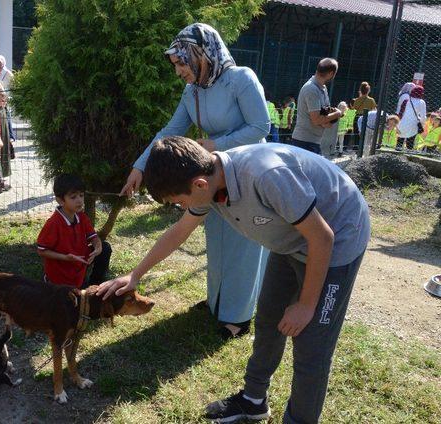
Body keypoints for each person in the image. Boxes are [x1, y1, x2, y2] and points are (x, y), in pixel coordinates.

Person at [98, 136, 370, 424]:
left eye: (180, 202)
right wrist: (135, 274)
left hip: (337, 237)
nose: (181, 208)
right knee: (269, 320)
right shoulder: (209, 183)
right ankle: (253, 401)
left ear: (199, 185)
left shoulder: (266, 176)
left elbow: (322, 237)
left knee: (311, 346)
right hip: (291, 241)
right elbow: (179, 232)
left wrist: (306, 304)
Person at [121, 23, 270, 339]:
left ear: (201, 54)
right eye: (175, 65)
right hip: (213, 173)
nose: (178, 71)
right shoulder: (192, 92)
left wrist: (214, 145)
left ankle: (239, 317)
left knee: (242, 243)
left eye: (181, 62)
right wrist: (140, 166)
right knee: (217, 239)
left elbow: (260, 127)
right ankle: (219, 302)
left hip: (245, 173)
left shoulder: (240, 79)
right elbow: (169, 132)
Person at [37, 174, 112, 288]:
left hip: (79, 261)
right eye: (73, 197)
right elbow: (42, 251)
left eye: (81, 195)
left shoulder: (81, 216)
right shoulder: (53, 223)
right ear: (60, 200)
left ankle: (95, 285)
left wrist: (98, 247)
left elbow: (93, 237)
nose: (79, 200)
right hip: (61, 274)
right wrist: (66, 257)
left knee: (105, 248)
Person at [291, 58, 341, 155]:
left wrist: (327, 120)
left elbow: (324, 116)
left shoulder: (323, 88)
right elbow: (316, 120)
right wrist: (338, 114)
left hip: (314, 141)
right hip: (304, 142)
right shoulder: (311, 89)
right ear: (331, 74)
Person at [396, 84, 426, 151]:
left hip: (402, 122)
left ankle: (396, 154)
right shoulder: (421, 102)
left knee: (400, 142)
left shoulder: (407, 99)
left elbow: (400, 111)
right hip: (413, 124)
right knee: (410, 143)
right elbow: (423, 117)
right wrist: (422, 125)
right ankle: (408, 157)